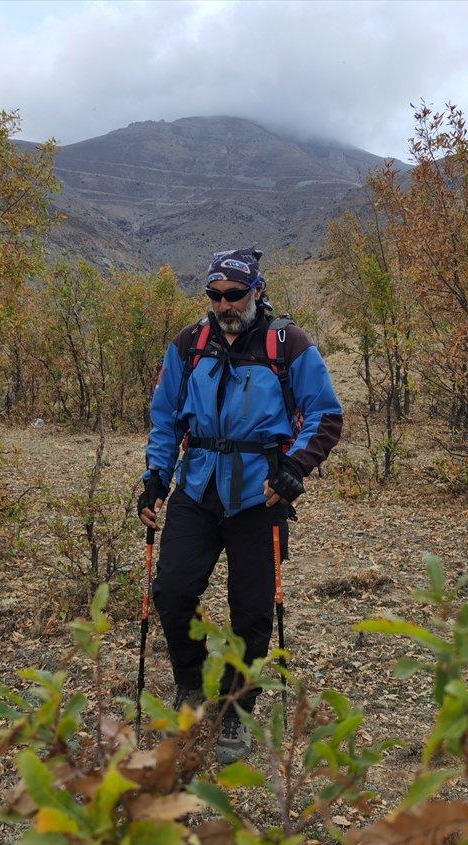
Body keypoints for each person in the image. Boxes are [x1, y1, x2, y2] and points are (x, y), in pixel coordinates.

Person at [137, 247, 342, 763]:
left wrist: (294, 469)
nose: (225, 305)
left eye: (235, 295)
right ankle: (190, 682)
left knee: (251, 612)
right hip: (198, 487)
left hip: (259, 494)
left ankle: (236, 708)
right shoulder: (189, 345)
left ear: (257, 292)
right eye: (216, 295)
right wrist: (156, 478)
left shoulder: (287, 344)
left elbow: (324, 414)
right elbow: (166, 418)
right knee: (173, 590)